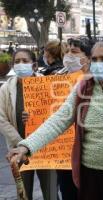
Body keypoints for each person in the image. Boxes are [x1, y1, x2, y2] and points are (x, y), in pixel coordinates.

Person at [7, 41, 103, 200]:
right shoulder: (82, 87)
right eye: (94, 59)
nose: (98, 64)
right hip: (89, 172)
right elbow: (58, 121)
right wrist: (26, 146)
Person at [0, 49, 58, 200]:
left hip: (45, 148)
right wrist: (22, 145)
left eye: (25, 61)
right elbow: (2, 120)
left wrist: (38, 116)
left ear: (34, 65)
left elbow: (57, 114)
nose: (20, 64)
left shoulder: (46, 84)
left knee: (51, 192)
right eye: (17, 62)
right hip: (18, 149)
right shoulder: (6, 89)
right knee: (24, 193)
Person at [55, 38, 93, 200]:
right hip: (63, 149)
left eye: (75, 52)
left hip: (88, 148)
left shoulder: (95, 79)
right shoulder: (56, 77)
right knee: (67, 191)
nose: (69, 55)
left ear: (88, 58)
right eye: (68, 51)